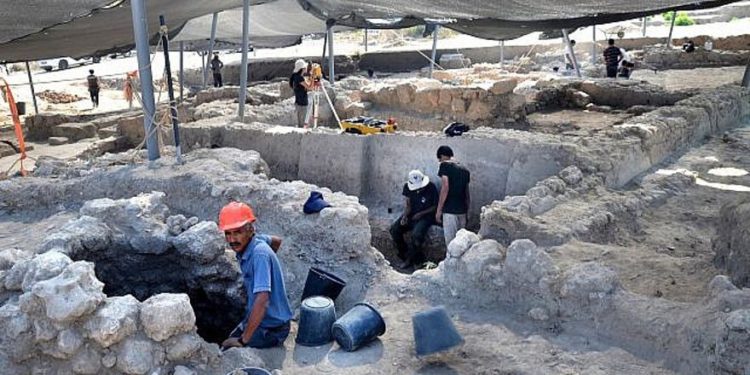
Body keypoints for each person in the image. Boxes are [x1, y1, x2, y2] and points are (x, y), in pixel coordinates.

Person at [219, 202, 293, 349]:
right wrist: (268, 269)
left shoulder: (259, 254)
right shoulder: (256, 241)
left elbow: (263, 300)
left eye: (238, 232)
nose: (232, 240)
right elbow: (276, 241)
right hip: (260, 321)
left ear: (250, 230)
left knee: (229, 349)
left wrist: (242, 341)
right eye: (228, 233)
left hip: (272, 330)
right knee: (226, 342)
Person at [390, 170, 438, 270]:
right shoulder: (407, 187)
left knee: (416, 235)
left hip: (426, 216)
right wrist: (404, 216)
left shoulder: (431, 187)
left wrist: (421, 214)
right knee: (394, 229)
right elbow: (408, 205)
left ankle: (416, 261)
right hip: (412, 215)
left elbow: (434, 206)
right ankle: (405, 256)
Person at [435, 146, 471, 247]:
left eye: (439, 159)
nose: (440, 161)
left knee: (451, 245)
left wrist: (439, 210)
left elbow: (445, 187)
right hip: (462, 210)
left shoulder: (445, 166)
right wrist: (468, 210)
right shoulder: (465, 170)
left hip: (450, 211)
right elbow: (466, 192)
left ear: (442, 156)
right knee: (461, 245)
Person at [290, 59, 311, 128]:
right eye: (305, 67)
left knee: (300, 123)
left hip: (299, 102)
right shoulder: (299, 78)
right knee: (302, 124)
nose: (306, 68)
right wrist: (313, 79)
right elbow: (309, 87)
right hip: (302, 104)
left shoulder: (296, 76)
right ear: (302, 68)